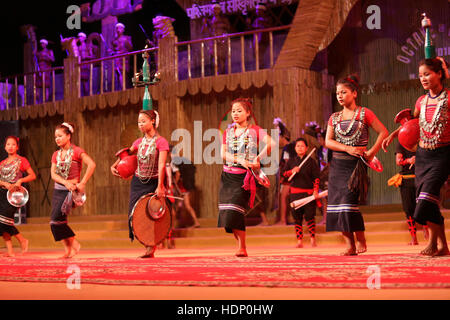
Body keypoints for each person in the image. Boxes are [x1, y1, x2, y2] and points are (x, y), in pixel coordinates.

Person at [382, 57, 450, 256]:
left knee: (426, 201)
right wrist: (393, 135)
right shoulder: (421, 101)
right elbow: (412, 123)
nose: (423, 78)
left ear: (439, 74)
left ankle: (436, 244)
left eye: (427, 74)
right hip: (423, 155)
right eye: (420, 75)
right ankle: (441, 246)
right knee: (427, 201)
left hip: (443, 154)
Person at [325, 75, 388, 256]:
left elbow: (383, 132)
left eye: (344, 92)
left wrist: (371, 153)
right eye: (337, 93)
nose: (340, 96)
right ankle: (349, 245)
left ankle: (360, 238)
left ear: (354, 93)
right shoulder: (334, 117)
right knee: (337, 205)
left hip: (356, 165)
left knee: (348, 203)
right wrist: (346, 147)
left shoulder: (364, 113)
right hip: (338, 165)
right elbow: (328, 142)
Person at [218, 98, 274, 257]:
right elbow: (223, 154)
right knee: (227, 214)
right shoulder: (228, 132)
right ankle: (239, 245)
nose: (235, 114)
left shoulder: (255, 130)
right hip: (227, 176)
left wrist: (258, 158)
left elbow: (271, 143)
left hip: (243, 178)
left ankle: (242, 247)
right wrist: (240, 159)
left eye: (239, 111)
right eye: (233, 111)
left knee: (235, 211)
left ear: (248, 113)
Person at [111, 109, 169, 258]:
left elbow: (162, 164)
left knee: (151, 215)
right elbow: (126, 154)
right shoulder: (138, 143)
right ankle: (147, 244)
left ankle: (151, 247)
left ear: (153, 122)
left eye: (143, 121)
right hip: (138, 182)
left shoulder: (161, 142)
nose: (140, 124)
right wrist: (115, 165)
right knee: (134, 215)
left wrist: (160, 186)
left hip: (154, 181)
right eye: (139, 122)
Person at [50, 123, 96, 259]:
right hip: (58, 189)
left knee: (55, 220)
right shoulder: (55, 154)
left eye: (60, 136)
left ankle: (74, 243)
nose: (57, 139)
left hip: (71, 191)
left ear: (68, 136)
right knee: (60, 220)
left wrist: (83, 183)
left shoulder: (77, 151)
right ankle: (68, 250)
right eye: (55, 137)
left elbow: (92, 164)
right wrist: (65, 182)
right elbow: (53, 174)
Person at [0, 136, 36, 256]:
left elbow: (32, 175)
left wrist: (20, 180)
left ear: (17, 147)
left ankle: (22, 240)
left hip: (14, 196)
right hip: (2, 193)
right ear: (5, 147)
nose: (10, 146)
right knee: (2, 222)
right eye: (8, 144)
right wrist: (3, 183)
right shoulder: (2, 164)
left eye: (13, 144)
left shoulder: (22, 160)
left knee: (5, 221)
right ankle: (10, 250)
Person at [282, 138, 320, 248]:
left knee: (310, 216)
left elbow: (316, 178)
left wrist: (316, 190)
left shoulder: (311, 162)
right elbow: (284, 175)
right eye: (298, 146)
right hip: (295, 194)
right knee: (297, 217)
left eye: (302, 146)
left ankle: (313, 238)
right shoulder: (291, 161)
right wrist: (291, 171)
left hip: (308, 194)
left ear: (307, 148)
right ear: (295, 148)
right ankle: (299, 241)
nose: (300, 148)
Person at [388, 142, 428, 245]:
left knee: (424, 204)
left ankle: (426, 229)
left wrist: (418, 159)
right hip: (407, 179)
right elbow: (398, 161)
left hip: (421, 177)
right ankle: (414, 237)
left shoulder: (422, 142)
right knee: (409, 208)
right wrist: (409, 160)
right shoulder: (401, 143)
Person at [273, 118, 295, 225]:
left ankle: (283, 220)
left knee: (283, 197)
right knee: (285, 197)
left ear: (283, 137)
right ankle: (287, 218)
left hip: (289, 177)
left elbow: (287, 164)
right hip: (291, 176)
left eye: (278, 136)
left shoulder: (287, 148)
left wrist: (283, 176)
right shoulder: (290, 148)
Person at [200, 2, 230, 75]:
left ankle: (222, 74)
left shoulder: (224, 19)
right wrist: (204, 23)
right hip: (213, 43)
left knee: (222, 59)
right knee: (215, 59)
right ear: (212, 10)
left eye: (217, 9)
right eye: (214, 9)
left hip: (222, 41)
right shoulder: (209, 21)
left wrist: (220, 25)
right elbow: (203, 31)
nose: (215, 11)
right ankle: (217, 74)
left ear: (219, 10)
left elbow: (229, 28)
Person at [171, 155, 200, 228]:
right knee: (186, 206)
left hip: (180, 188)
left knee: (176, 207)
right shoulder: (180, 161)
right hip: (184, 188)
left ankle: (172, 226)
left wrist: (174, 183)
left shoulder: (174, 162)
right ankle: (196, 222)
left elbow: (178, 174)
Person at [247, 3, 273, 69]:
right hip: (256, 41)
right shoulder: (256, 20)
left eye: (258, 10)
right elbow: (252, 29)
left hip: (263, 40)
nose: (256, 12)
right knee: (257, 56)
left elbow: (269, 27)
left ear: (262, 10)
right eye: (256, 10)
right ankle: (259, 68)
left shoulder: (267, 19)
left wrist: (261, 23)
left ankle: (261, 68)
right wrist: (249, 24)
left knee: (261, 55)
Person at [110, 23, 133, 90]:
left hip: (124, 58)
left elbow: (130, 48)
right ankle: (122, 88)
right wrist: (111, 52)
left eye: (119, 28)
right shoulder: (114, 40)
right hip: (117, 59)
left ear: (123, 30)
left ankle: (125, 88)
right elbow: (113, 50)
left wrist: (125, 41)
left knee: (125, 73)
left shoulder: (127, 38)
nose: (118, 30)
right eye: (117, 28)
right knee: (119, 73)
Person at [316, 129, 331, 225]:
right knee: (323, 198)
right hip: (322, 176)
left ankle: (333, 219)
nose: (319, 140)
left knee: (331, 197)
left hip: (331, 175)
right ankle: (325, 218)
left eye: (320, 138)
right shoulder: (319, 150)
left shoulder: (332, 149)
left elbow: (332, 162)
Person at [35, 39, 55, 103]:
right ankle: (37, 101)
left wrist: (47, 55)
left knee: (46, 87)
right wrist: (34, 55)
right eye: (41, 44)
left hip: (46, 70)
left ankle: (46, 101)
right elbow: (34, 61)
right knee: (38, 86)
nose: (42, 45)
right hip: (39, 70)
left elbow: (53, 59)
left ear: (46, 44)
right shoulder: (39, 53)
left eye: (43, 43)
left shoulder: (49, 51)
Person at [77, 32, 95, 96]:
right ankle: (83, 95)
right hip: (80, 65)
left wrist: (86, 57)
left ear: (84, 38)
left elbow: (92, 56)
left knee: (85, 81)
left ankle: (87, 94)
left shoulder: (88, 46)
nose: (79, 38)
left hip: (86, 64)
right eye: (79, 37)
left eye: (81, 37)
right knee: (80, 81)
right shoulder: (78, 47)